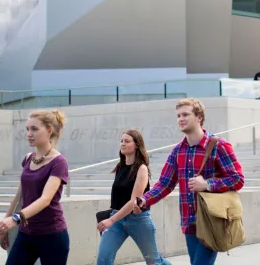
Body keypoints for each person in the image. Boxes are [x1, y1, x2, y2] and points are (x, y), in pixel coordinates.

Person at [133, 98, 244, 265]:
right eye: (178, 116)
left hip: (212, 220)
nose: (181, 119)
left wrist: (207, 185)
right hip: (189, 221)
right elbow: (164, 184)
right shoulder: (177, 151)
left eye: (185, 114)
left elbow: (237, 179)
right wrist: (145, 199)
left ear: (199, 117)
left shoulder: (218, 145)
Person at [0, 109, 70, 265]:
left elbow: (45, 199)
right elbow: (19, 195)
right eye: (27, 129)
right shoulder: (29, 158)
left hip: (52, 235)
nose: (29, 133)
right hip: (26, 233)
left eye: (34, 129)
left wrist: (15, 219)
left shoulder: (58, 162)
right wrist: (5, 224)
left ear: (49, 131)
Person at [96, 130, 170, 265]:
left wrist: (111, 220)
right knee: (103, 260)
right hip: (117, 219)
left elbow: (133, 201)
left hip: (138, 220)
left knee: (154, 262)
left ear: (136, 145)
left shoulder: (142, 169)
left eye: (127, 141)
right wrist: (113, 218)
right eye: (121, 141)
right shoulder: (120, 167)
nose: (122, 144)